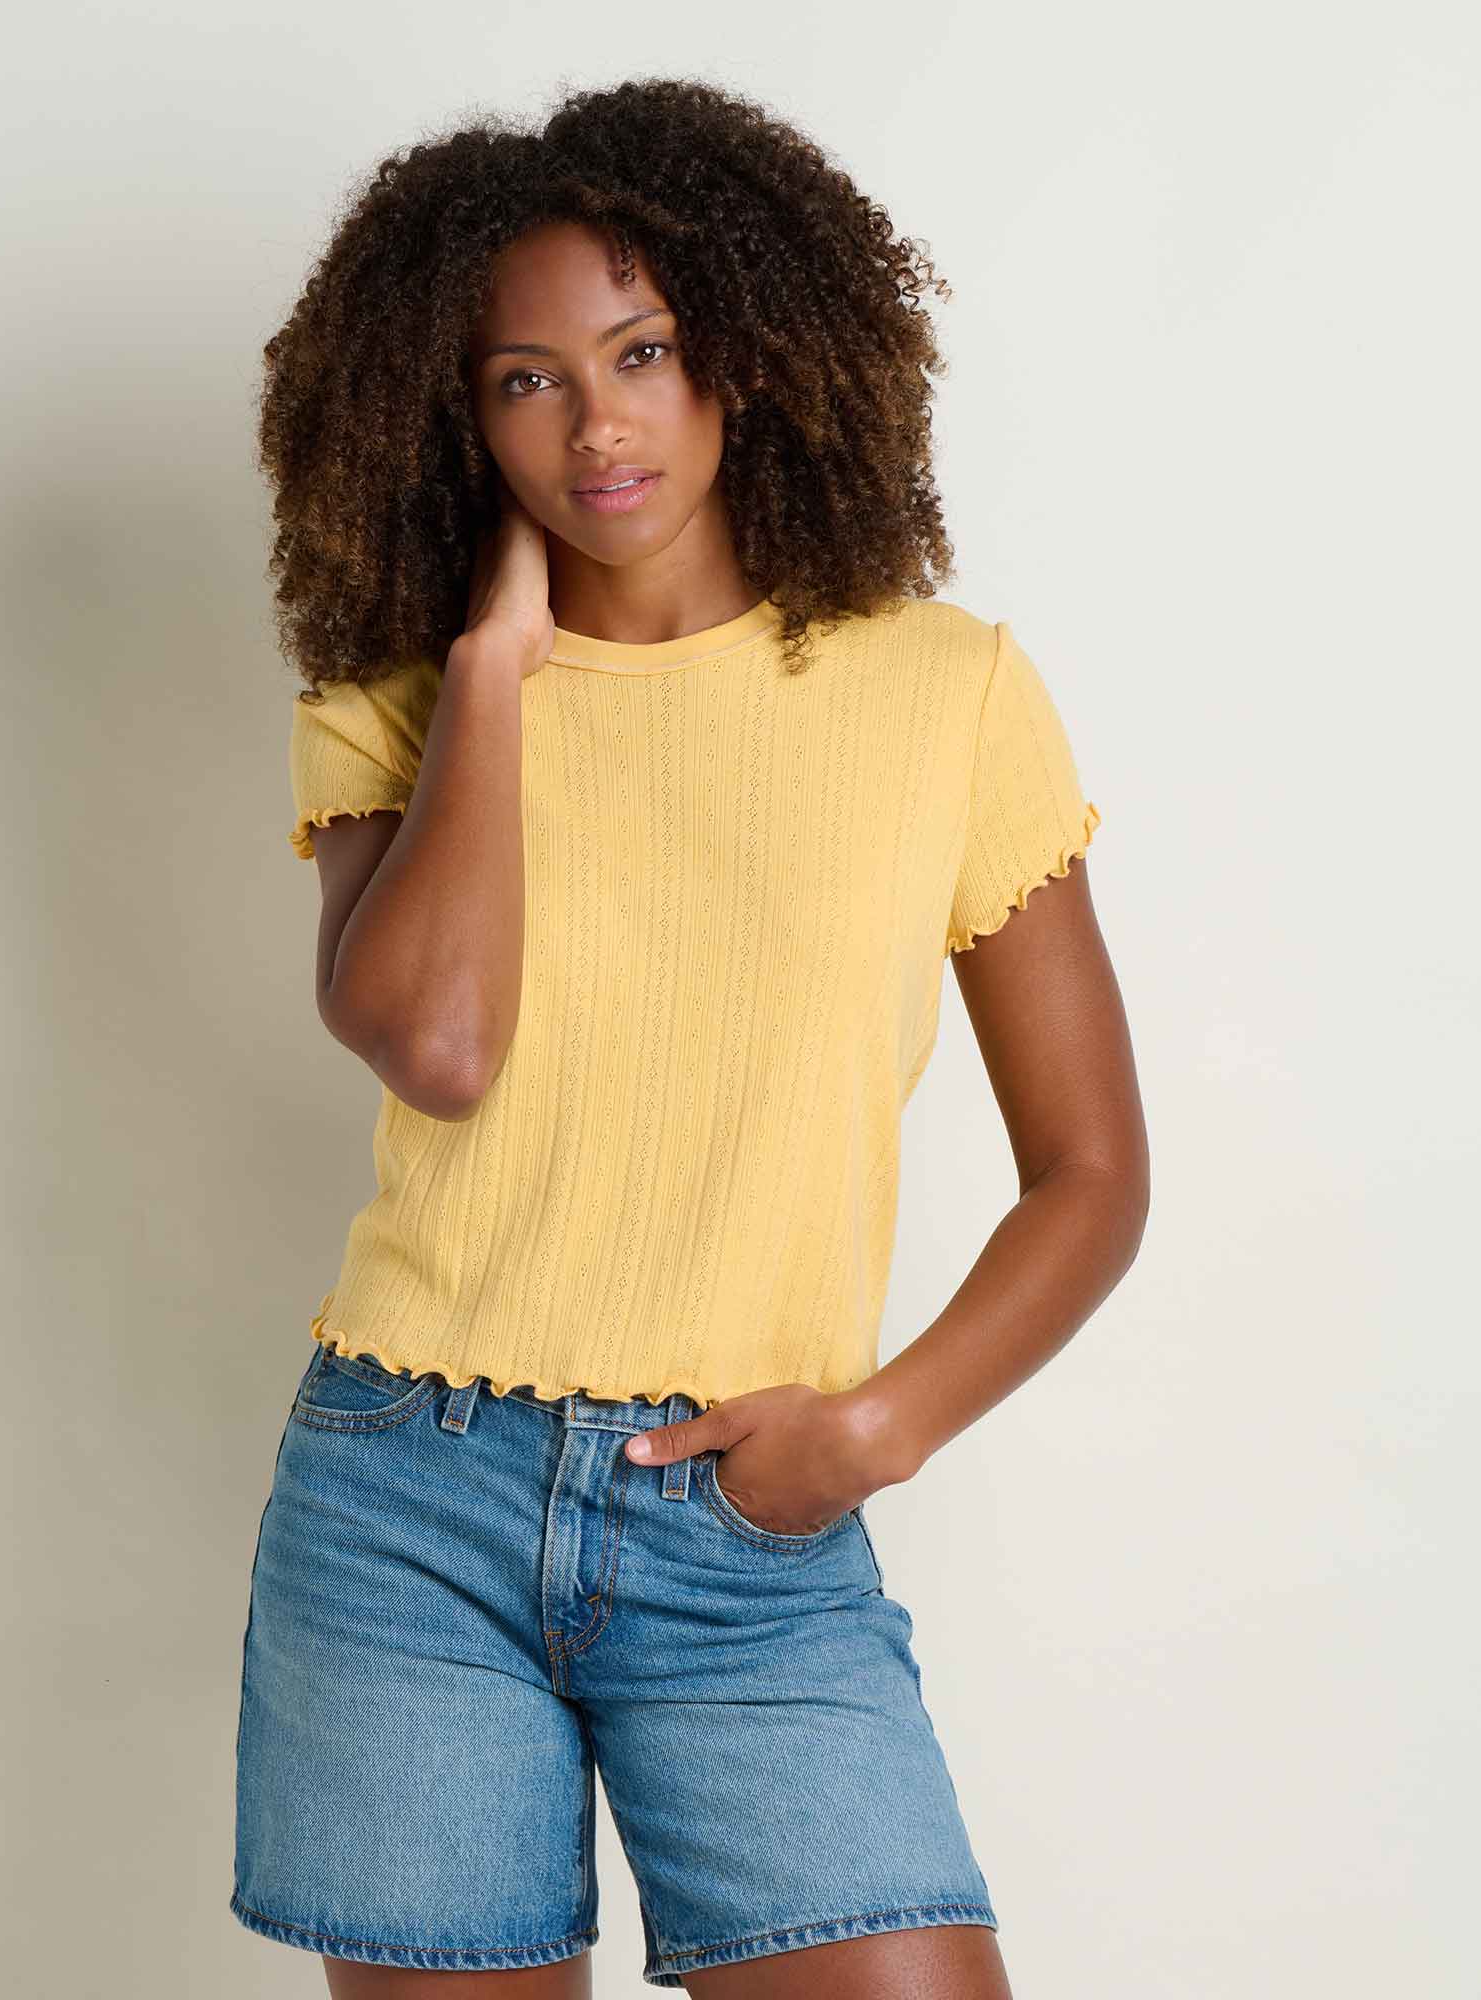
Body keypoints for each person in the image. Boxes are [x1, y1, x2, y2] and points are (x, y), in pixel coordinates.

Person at [231, 76, 1149, 1999]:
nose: (598, 423)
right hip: (410, 1504)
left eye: (640, 350)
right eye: (527, 380)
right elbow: (439, 1047)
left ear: (745, 345)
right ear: (455, 414)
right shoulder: (399, 702)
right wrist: (495, 675)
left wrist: (876, 1432)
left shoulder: (946, 693)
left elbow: (1091, 1171)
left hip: (750, 1522)